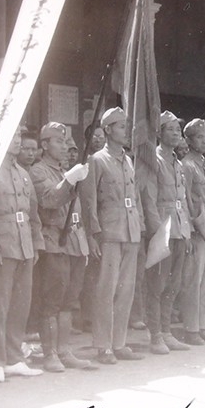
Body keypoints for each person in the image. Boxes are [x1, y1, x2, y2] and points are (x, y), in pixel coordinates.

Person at [0, 129, 45, 383]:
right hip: (2, 247)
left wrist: (36, 244)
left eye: (18, 137)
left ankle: (14, 359)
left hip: (24, 246)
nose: (17, 141)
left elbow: (33, 213)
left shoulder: (23, 173)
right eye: (12, 136)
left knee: (20, 307)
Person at [30, 122, 98, 371]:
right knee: (52, 300)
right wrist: (69, 180)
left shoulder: (64, 171)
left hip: (74, 242)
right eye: (58, 141)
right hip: (54, 241)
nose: (65, 146)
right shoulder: (38, 171)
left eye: (65, 141)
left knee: (70, 300)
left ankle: (64, 351)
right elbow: (49, 200)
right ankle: (50, 354)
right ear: (45, 145)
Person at [80, 108, 144, 364]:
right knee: (106, 289)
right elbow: (89, 201)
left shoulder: (128, 161)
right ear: (108, 130)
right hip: (109, 232)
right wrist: (93, 234)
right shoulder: (97, 160)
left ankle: (119, 342)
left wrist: (139, 226)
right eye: (121, 127)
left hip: (130, 232)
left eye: (126, 126)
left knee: (126, 289)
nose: (126, 131)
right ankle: (103, 345)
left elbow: (135, 198)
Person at [137, 111, 193, 354]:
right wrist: (157, 233)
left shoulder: (178, 164)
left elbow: (183, 201)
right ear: (159, 134)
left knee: (173, 284)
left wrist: (187, 231)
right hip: (163, 229)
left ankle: (167, 332)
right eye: (170, 129)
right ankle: (156, 335)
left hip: (180, 229)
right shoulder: (155, 161)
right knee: (157, 285)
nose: (176, 133)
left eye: (178, 130)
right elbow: (149, 199)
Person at [180, 119, 205, 344]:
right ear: (188, 140)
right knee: (193, 280)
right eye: (199, 137)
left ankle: (203, 325)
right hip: (197, 228)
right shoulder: (187, 165)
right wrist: (190, 227)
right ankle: (191, 328)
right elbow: (185, 200)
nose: (204, 141)